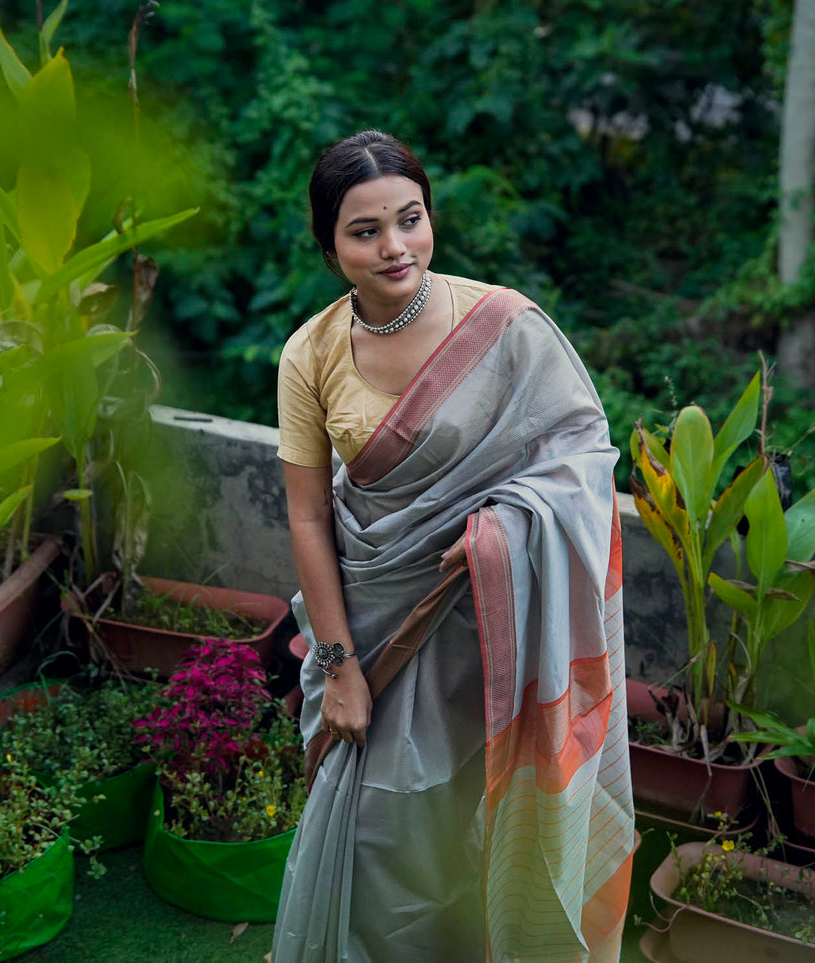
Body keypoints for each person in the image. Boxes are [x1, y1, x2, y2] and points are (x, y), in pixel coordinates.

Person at [271, 129, 634, 962]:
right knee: (382, 830)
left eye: (410, 218)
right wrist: (339, 665)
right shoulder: (310, 354)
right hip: (379, 629)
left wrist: (503, 534)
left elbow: (580, 459)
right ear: (328, 244)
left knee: (499, 814)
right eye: (365, 230)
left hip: (505, 624)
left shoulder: (503, 326)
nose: (395, 246)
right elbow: (305, 518)